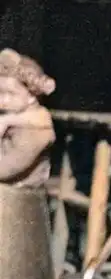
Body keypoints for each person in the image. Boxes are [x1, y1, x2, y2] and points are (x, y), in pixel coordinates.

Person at [0, 49, 56, 187]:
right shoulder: (9, 116)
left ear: (31, 96)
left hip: (19, 196)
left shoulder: (36, 130)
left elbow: (5, 169)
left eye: (11, 94)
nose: (3, 101)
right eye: (0, 93)